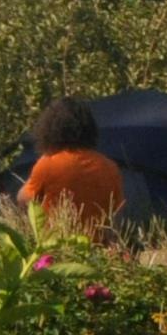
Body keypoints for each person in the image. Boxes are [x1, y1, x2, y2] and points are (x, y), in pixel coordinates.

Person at [19, 96, 128, 237]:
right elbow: (117, 214)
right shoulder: (109, 166)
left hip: (58, 247)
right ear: (90, 129)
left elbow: (23, 200)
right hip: (97, 251)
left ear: (50, 129)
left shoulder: (48, 164)